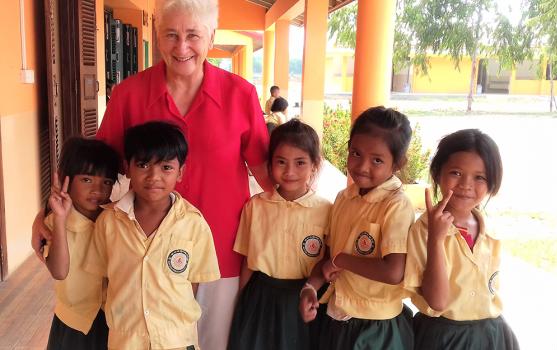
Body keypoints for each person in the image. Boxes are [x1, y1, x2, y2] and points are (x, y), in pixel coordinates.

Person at [32, 1, 272, 348]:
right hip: (138, 254)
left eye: (193, 35)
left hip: (220, 251)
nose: (182, 47)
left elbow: (269, 175)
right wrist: (46, 214)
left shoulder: (240, 94)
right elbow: (95, 170)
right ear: (157, 35)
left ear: (212, 36)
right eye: (171, 35)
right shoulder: (130, 94)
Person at [83, 121, 220, 349]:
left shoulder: (193, 223)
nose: (154, 176)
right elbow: (104, 277)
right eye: (144, 165)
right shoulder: (109, 222)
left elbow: (193, 282)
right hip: (126, 340)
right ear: (127, 168)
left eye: (166, 167)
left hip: (177, 339)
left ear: (181, 172)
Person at [299, 106, 415, 349]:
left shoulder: (395, 205)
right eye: (356, 153)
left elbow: (394, 271)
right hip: (336, 316)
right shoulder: (344, 197)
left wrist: (342, 260)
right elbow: (329, 257)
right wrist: (311, 287)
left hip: (376, 327)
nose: (362, 166)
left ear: (397, 163)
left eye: (377, 160)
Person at [404, 129, 519, 350]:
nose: (466, 184)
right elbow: (437, 302)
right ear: (438, 173)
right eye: (456, 173)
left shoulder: (488, 229)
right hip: (444, 337)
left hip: (492, 335)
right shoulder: (424, 230)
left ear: (492, 183)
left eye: (480, 177)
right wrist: (436, 240)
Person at [228, 119, 331, 350]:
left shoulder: (327, 210)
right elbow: (248, 260)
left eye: (300, 162)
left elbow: (328, 260)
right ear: (270, 164)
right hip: (260, 298)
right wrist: (241, 302)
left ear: (315, 165)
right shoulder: (256, 206)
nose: (290, 171)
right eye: (281, 162)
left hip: (304, 297)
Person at [43, 137, 120, 350]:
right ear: (66, 179)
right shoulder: (53, 222)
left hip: (112, 320)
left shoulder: (117, 219)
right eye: (87, 180)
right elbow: (59, 272)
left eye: (106, 182)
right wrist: (60, 219)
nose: (97, 190)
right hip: (73, 322)